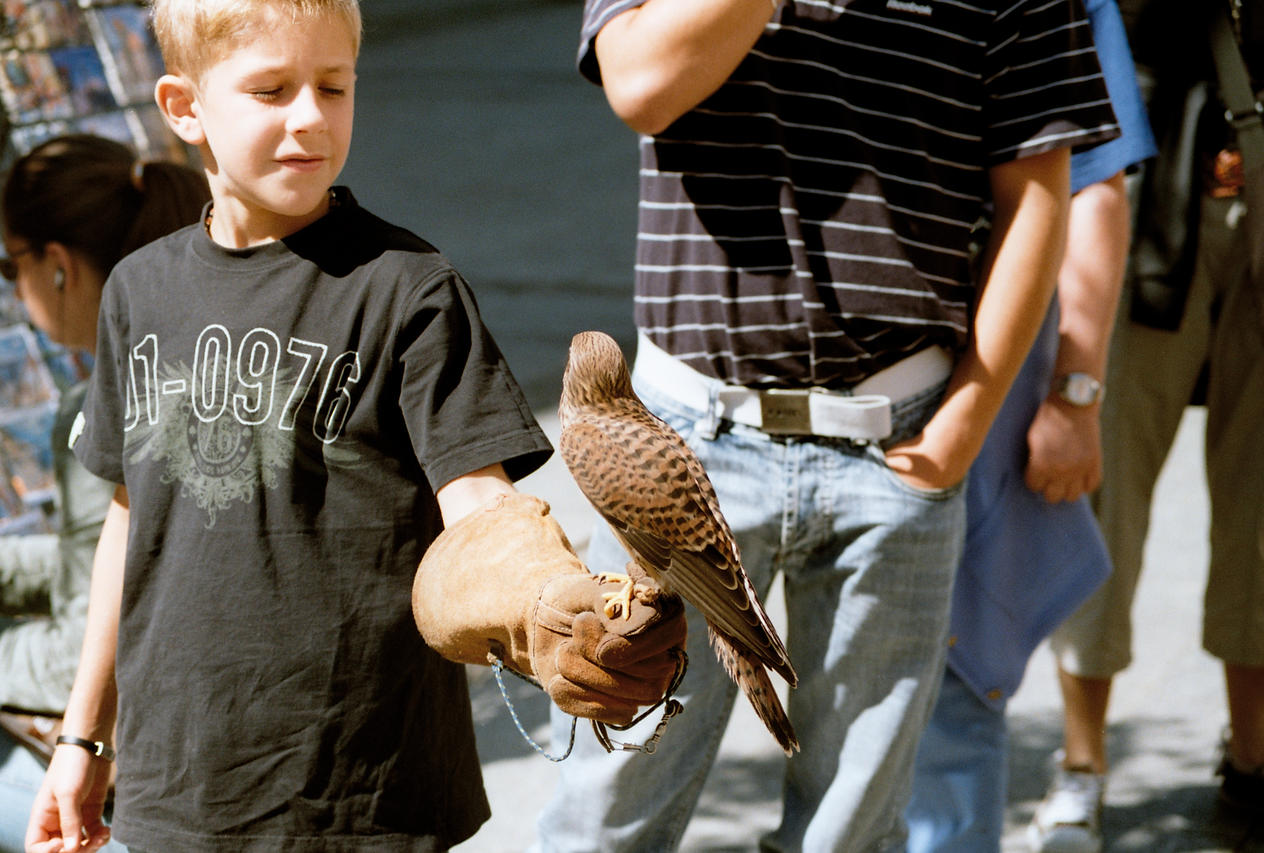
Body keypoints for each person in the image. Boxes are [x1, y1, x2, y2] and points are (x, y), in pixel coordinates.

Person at [22, 2, 686, 851]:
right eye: (270, 90)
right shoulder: (137, 292)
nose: (309, 117)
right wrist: (84, 737)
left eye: (332, 87)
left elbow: (478, 507)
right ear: (185, 107)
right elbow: (131, 519)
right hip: (174, 788)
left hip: (361, 796)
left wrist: (546, 606)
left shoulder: (408, 288)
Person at [533, 1, 1120, 851]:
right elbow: (640, 84)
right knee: (605, 810)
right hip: (678, 442)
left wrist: (965, 422)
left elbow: (1039, 191)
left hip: (901, 442)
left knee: (851, 830)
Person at [902, 0, 1158, 849]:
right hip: (785, 398)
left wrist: (1075, 392)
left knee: (953, 680)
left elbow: (1094, 189)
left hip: (972, 392)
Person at [1030, 0, 1264, 848]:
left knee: (1262, 499)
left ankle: (1253, 759)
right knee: (1106, 477)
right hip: (1150, 151)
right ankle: (1081, 762)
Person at [0, 133, 210, 853]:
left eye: (6, 262)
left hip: (162, 783)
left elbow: (91, 644)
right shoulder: (197, 347)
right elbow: (105, 566)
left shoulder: (105, 406)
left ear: (56, 266)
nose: (6, 282)